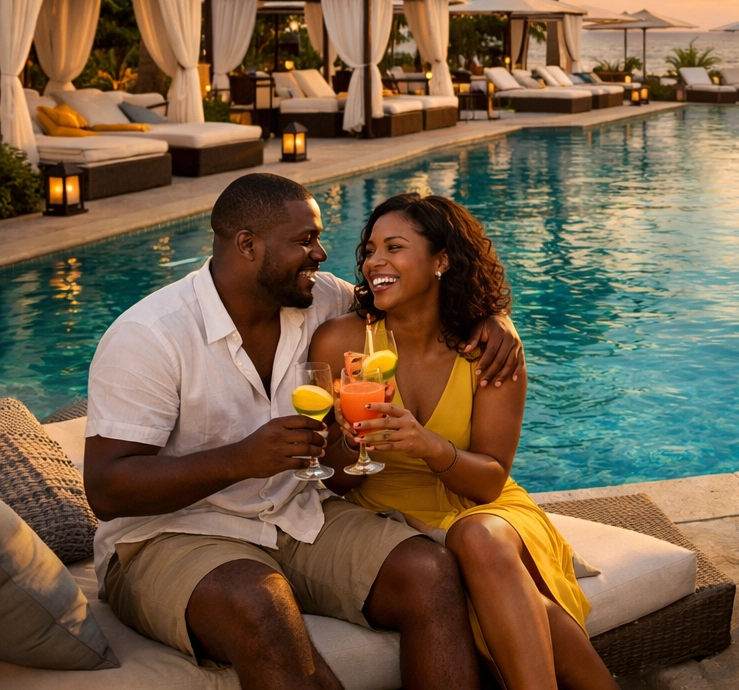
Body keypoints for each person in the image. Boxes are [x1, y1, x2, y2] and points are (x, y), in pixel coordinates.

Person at [82, 173, 524, 688]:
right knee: (259, 603)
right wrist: (239, 460)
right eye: (305, 240)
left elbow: (420, 295)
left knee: (430, 573)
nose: (321, 253)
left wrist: (494, 320)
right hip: (171, 536)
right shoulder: (150, 336)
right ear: (248, 245)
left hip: (298, 516)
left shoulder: (322, 300)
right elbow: (107, 490)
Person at [310, 193, 617, 690]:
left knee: (476, 538)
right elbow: (335, 479)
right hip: (384, 516)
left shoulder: (487, 350)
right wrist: (349, 443)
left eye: (394, 247)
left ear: (442, 260)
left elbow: (491, 481)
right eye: (369, 250)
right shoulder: (341, 342)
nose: (374, 262)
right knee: (497, 587)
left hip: (485, 510)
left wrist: (426, 445)